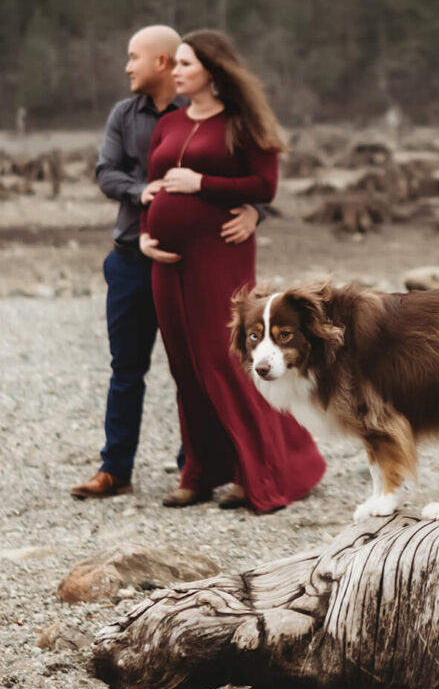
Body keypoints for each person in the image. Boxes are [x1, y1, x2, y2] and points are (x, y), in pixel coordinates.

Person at [71, 25, 260, 499]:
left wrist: (259, 211)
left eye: (134, 57)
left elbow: (244, 175)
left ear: (161, 62)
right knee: (126, 367)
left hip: (189, 267)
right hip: (131, 262)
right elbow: (106, 172)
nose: (127, 66)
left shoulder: (203, 113)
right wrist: (142, 192)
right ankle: (115, 469)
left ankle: (195, 467)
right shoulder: (123, 115)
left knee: (197, 368)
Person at [141, 30, 326, 512]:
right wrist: (145, 232)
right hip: (166, 264)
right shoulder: (171, 122)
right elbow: (153, 185)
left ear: (212, 70)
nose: (176, 72)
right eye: (175, 63)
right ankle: (200, 473)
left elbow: (263, 185)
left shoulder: (241, 123)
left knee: (227, 362)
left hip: (220, 255)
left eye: (185, 64)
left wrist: (201, 182)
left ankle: (258, 470)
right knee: (185, 367)